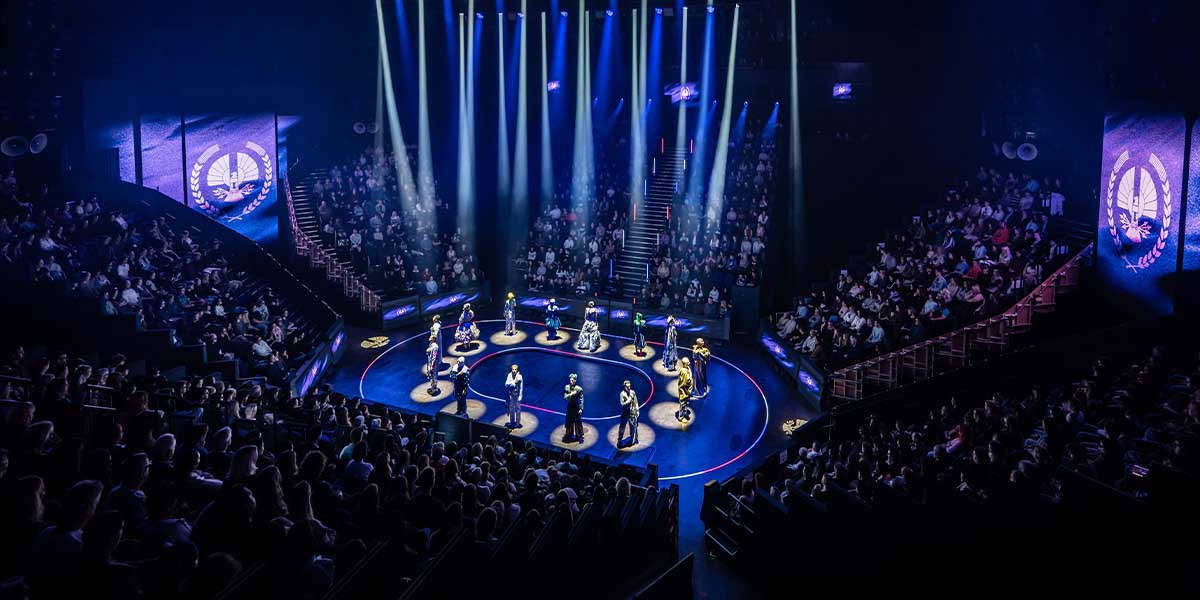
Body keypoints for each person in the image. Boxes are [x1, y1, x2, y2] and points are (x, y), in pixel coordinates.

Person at [562, 373, 584, 443]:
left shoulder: (579, 389)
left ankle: (579, 435)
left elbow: (581, 399)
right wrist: (571, 394)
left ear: (575, 381)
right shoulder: (567, 387)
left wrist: (581, 408)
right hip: (570, 407)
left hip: (576, 407)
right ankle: (569, 434)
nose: (571, 381)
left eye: (572, 380)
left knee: (578, 422)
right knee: (569, 421)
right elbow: (565, 397)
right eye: (570, 380)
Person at [618, 380, 639, 447]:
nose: (629, 388)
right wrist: (628, 400)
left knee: (633, 426)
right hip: (625, 412)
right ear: (624, 387)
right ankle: (619, 440)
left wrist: (637, 410)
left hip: (632, 412)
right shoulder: (622, 394)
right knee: (622, 427)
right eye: (627, 387)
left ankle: (633, 440)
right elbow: (622, 403)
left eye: (629, 386)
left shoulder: (632, 392)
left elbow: (636, 401)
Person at [675, 357, 694, 424]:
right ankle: (681, 417)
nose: (689, 363)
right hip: (684, 390)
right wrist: (687, 390)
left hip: (687, 390)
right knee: (683, 404)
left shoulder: (687, 369)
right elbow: (684, 382)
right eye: (688, 362)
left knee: (686, 403)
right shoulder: (683, 371)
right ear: (684, 364)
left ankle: (684, 413)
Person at [504, 364, 523, 429]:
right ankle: (512, 422)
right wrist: (513, 382)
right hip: (511, 395)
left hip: (517, 395)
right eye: (513, 369)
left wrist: (520, 395)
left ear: (517, 370)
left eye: (515, 369)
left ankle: (517, 423)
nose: (514, 371)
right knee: (511, 409)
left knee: (518, 409)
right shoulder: (509, 375)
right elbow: (506, 384)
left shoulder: (519, 376)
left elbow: (521, 387)